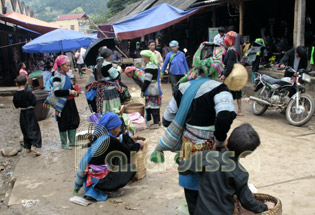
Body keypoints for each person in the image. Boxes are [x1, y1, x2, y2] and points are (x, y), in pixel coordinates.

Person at [150, 42, 236, 215]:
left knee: (192, 197)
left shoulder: (182, 87)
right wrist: (219, 141)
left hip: (188, 150)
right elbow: (224, 117)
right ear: (218, 65)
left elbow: (167, 119)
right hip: (211, 150)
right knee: (212, 196)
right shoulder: (221, 90)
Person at [178, 123, 275, 214]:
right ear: (246, 155)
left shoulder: (207, 156)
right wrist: (264, 207)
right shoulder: (241, 174)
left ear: (227, 141)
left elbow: (183, 168)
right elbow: (247, 200)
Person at [73, 112, 143, 201]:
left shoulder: (99, 137)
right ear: (111, 128)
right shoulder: (111, 141)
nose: (119, 130)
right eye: (118, 127)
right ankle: (108, 190)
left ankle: (100, 187)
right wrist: (139, 144)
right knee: (131, 168)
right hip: (101, 180)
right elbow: (128, 150)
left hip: (92, 177)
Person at [49, 55, 80, 150]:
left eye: (69, 65)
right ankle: (64, 143)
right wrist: (70, 92)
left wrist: (76, 92)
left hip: (70, 103)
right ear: (61, 66)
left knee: (74, 120)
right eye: (67, 65)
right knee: (63, 123)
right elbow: (57, 92)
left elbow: (71, 88)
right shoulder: (57, 77)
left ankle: (72, 141)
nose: (69, 68)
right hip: (63, 105)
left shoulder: (66, 76)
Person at [86, 47, 122, 114]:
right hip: (110, 90)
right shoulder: (108, 65)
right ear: (109, 56)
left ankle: (105, 120)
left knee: (104, 108)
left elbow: (96, 78)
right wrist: (119, 71)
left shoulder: (97, 66)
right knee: (112, 107)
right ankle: (113, 120)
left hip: (101, 90)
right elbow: (116, 76)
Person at [13, 75, 41, 156]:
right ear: (26, 83)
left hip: (22, 113)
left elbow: (16, 105)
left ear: (17, 84)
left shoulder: (16, 94)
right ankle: (34, 146)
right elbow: (34, 102)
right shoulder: (28, 93)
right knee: (34, 129)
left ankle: (27, 147)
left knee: (25, 129)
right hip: (30, 113)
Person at [221, 31, 244, 116]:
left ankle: (233, 110)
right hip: (236, 73)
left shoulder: (230, 51)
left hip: (232, 75)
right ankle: (239, 110)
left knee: (229, 92)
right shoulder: (234, 49)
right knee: (237, 92)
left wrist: (224, 74)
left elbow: (230, 65)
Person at [140, 50, 163, 129]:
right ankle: (158, 121)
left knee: (153, 106)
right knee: (156, 104)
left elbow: (147, 80)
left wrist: (143, 90)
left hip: (151, 89)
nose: (143, 58)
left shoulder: (149, 66)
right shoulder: (155, 65)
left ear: (147, 58)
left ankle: (155, 123)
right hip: (156, 87)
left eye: (143, 57)